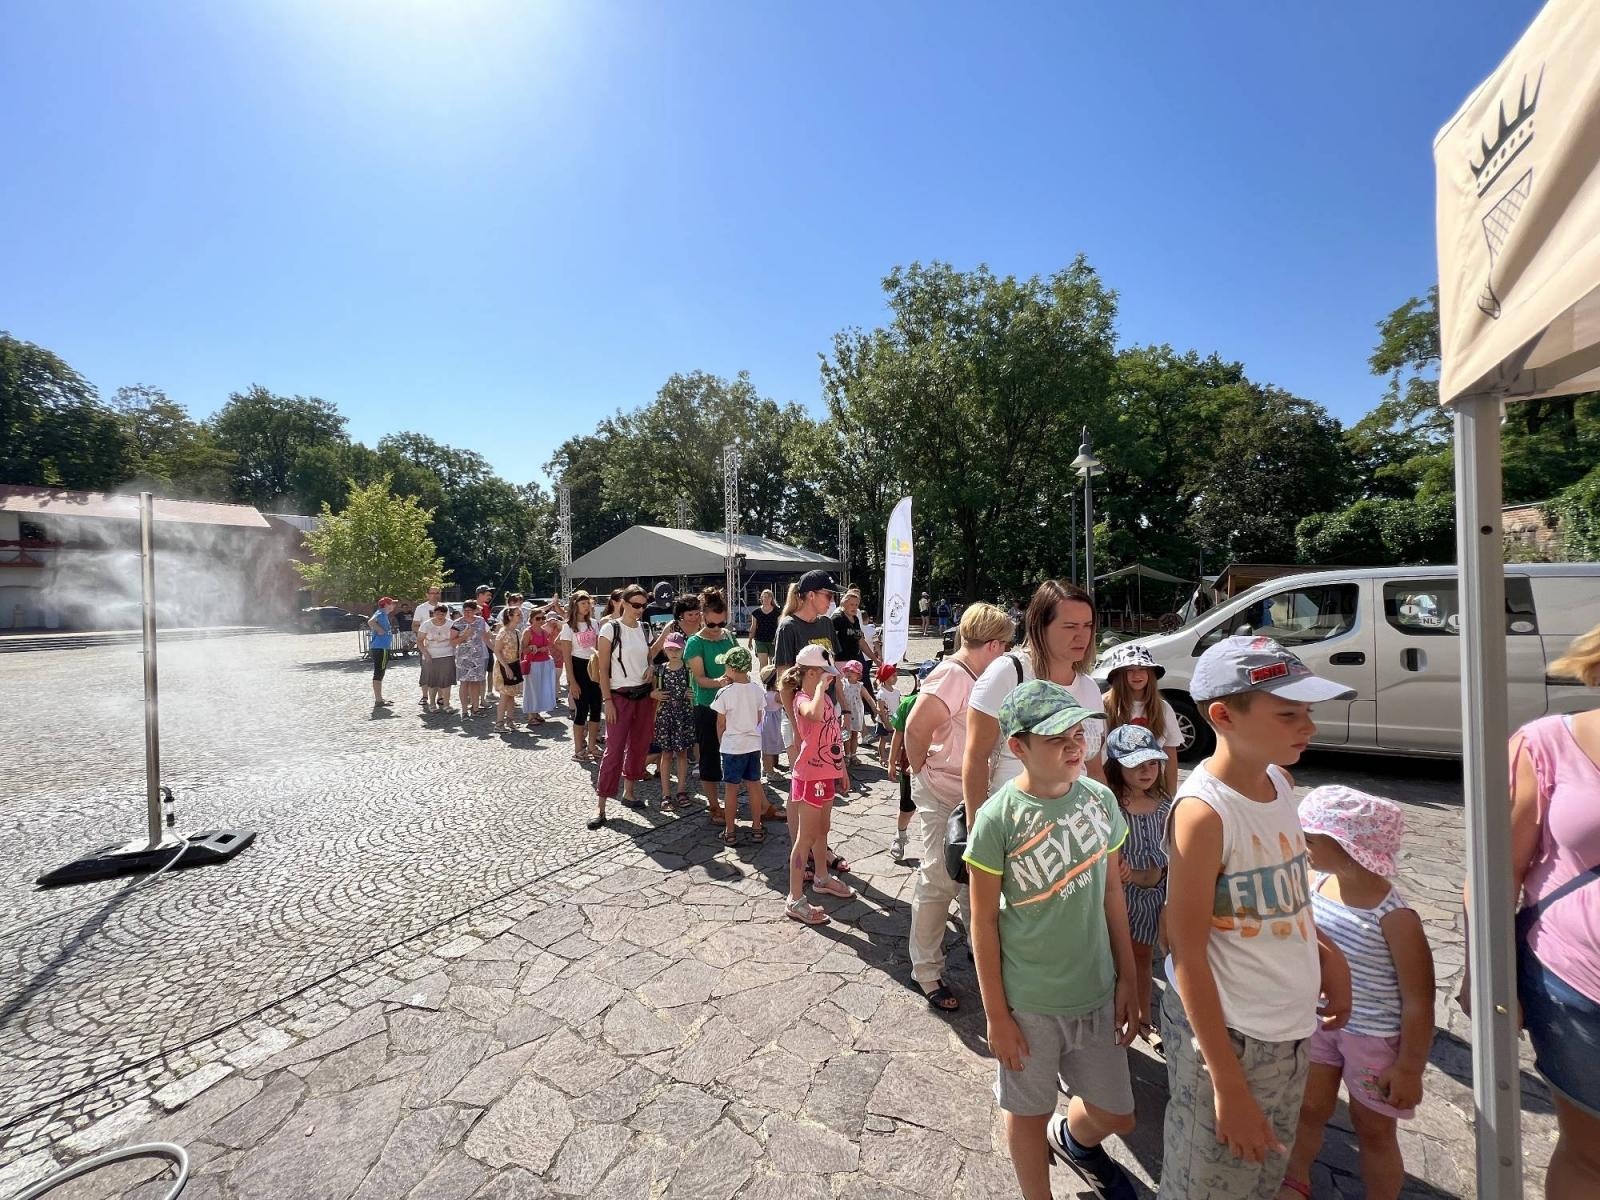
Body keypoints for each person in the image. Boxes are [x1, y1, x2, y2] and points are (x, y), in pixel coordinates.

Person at [1160, 636, 1355, 1200]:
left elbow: (1284, 895)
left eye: (1308, 711)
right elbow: (1186, 950)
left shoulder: (1281, 784)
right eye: (1288, 714)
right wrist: (1227, 1085)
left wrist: (1325, 953)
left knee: (1262, 1177)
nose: (1308, 727)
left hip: (1290, 1032)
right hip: (1233, 1039)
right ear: (1224, 716)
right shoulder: (1204, 815)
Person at [964, 679, 1139, 1200]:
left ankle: (1073, 1139)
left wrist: (1129, 978)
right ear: (1017, 747)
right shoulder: (997, 819)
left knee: (1119, 1114)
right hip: (1030, 1003)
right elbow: (983, 921)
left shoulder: (1101, 800)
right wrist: (997, 1016)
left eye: (1076, 733)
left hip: (1096, 991)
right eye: (1055, 738)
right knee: (1027, 1113)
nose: (1073, 745)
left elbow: (1113, 893)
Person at [1458, 623, 1600, 1200]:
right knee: (1592, 1157)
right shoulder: (1547, 743)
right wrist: (1485, 974)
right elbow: (1495, 872)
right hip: (1577, 991)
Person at [1284, 787, 1435, 1200]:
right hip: (1320, 1024)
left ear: (1349, 848)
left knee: (1374, 1130)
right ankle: (1295, 1179)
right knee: (1308, 1109)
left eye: (1310, 839)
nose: (1302, 846)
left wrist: (1410, 1068)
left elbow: (1419, 1001)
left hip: (1373, 1041)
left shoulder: (1396, 918)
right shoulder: (1315, 884)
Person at [906, 603, 1014, 1010]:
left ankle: (977, 947)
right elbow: (915, 727)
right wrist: (925, 772)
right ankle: (925, 970)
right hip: (945, 793)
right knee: (939, 879)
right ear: (993, 645)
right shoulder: (953, 674)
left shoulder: (976, 674)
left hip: (969, 794)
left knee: (974, 878)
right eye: (1005, 645)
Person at [963, 581, 1107, 826]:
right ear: (1040, 626)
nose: (1082, 635)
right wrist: (975, 829)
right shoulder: (1008, 673)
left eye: (1088, 625)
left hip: (1077, 829)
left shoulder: (1090, 688)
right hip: (1015, 824)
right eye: (1070, 626)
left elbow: (1093, 769)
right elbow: (975, 757)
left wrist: (1106, 825)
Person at [1103, 723, 1173, 1049]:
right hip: (1123, 896)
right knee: (1120, 960)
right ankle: (1116, 1018)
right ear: (1117, 766)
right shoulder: (1112, 806)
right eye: (1136, 764)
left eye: (1152, 763)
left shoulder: (1165, 803)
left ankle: (1144, 1019)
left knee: (1144, 959)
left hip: (1158, 895)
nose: (1146, 771)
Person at [784, 644, 852, 924]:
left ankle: (822, 878)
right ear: (812, 673)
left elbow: (833, 737)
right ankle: (795, 898)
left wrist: (841, 769)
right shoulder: (803, 698)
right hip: (809, 777)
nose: (832, 678)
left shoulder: (823, 699)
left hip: (826, 775)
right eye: (827, 673)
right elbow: (811, 714)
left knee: (823, 830)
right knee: (806, 838)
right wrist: (821, 688)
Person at [590, 584, 655, 828]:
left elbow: (648, 655)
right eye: (636, 605)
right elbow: (603, 668)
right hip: (619, 696)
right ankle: (601, 805)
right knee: (614, 750)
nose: (640, 609)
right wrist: (607, 701)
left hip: (643, 696)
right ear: (624, 603)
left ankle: (629, 793)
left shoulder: (644, 628)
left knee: (639, 746)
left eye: (643, 605)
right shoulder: (610, 628)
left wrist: (651, 666)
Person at [1100, 643, 1183, 795]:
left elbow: (1170, 754)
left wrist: (1171, 795)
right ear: (1118, 675)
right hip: (1112, 785)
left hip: (1152, 787)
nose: (1136, 675)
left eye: (1142, 669)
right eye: (1129, 670)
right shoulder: (1103, 705)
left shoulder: (1163, 708)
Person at [684, 587, 736, 820]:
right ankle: (714, 805)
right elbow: (700, 679)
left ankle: (739, 798)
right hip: (708, 706)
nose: (716, 628)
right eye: (712, 624)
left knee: (737, 752)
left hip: (732, 704)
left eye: (721, 623)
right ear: (703, 617)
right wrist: (720, 681)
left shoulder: (729, 636)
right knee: (710, 756)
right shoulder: (695, 642)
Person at [712, 646, 767, 846]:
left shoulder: (724, 693)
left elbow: (720, 723)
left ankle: (730, 830)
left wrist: (722, 741)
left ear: (732, 669)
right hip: (752, 745)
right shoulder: (757, 690)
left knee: (731, 790)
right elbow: (759, 718)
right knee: (754, 786)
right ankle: (757, 827)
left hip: (732, 746)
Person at [651, 632, 696, 810]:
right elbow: (651, 690)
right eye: (670, 649)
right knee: (666, 754)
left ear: (683, 649)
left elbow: (696, 688)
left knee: (682, 754)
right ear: (664, 649)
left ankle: (681, 790)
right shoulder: (660, 670)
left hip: (683, 716)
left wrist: (692, 693)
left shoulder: (688, 669)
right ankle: (666, 794)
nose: (673, 652)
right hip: (665, 717)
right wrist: (653, 694)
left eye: (677, 649)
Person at [559, 591, 603, 761]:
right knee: (581, 709)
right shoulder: (568, 627)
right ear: (575, 605)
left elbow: (598, 649)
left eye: (588, 603)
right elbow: (567, 656)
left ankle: (592, 745)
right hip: (578, 667)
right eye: (583, 603)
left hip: (594, 667)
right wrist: (572, 681)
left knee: (596, 708)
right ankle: (578, 748)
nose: (586, 606)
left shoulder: (594, 623)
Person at [417, 603, 460, 712]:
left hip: (447, 654)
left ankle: (446, 704)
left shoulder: (451, 624)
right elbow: (419, 641)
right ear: (434, 613)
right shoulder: (426, 624)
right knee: (432, 681)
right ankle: (432, 704)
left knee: (446, 681)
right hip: (431, 655)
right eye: (438, 613)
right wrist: (425, 654)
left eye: (443, 614)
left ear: (446, 614)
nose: (440, 616)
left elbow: (457, 638)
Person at [520, 607, 557, 727]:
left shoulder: (544, 631)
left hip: (544, 662)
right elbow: (523, 650)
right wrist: (532, 648)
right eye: (538, 618)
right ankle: (531, 715)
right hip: (533, 663)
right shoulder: (528, 632)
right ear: (531, 619)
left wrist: (544, 648)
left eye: (543, 618)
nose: (541, 620)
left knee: (541, 689)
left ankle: (537, 712)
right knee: (532, 689)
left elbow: (549, 645)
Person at [453, 600, 489, 716]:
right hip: (463, 658)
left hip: (478, 657)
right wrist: (465, 635)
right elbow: (452, 642)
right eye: (465, 611)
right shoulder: (457, 623)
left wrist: (495, 648)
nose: (467, 613)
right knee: (464, 683)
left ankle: (475, 708)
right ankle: (464, 710)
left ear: (474, 611)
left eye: (469, 611)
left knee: (476, 683)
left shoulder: (480, 621)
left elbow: (485, 637)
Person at [491, 607, 523, 733]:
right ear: (510, 617)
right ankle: (499, 723)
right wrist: (506, 667)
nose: (520, 616)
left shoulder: (517, 632)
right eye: (518, 614)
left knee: (511, 695)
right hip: (504, 666)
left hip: (514, 665)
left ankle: (510, 720)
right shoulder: (503, 632)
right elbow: (497, 651)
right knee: (504, 695)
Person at [832, 588, 876, 675]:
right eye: (851, 604)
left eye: (856, 605)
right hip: (840, 662)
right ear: (844, 604)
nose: (855, 607)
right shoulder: (837, 619)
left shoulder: (855, 619)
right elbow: (831, 642)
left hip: (854, 661)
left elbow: (861, 641)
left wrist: (875, 659)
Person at [413, 585, 443, 706]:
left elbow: (449, 624)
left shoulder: (444, 607)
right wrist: (425, 633)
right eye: (432, 593)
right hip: (426, 644)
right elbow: (414, 625)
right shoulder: (421, 608)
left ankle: (441, 697)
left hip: (442, 644)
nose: (434, 595)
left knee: (441, 671)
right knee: (426, 671)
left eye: (437, 593)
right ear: (427, 594)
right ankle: (425, 696)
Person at [366, 597, 396, 706]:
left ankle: (379, 699)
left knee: (380, 672)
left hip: (381, 647)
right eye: (392, 603)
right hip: (381, 647)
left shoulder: (383, 614)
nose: (394, 606)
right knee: (379, 672)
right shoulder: (380, 613)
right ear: (386, 605)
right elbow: (371, 622)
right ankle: (378, 700)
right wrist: (380, 630)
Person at [759, 664, 785, 782]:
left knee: (766, 749)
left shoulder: (765, 693)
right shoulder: (777, 695)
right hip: (773, 725)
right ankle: (770, 772)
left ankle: (766, 768)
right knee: (770, 749)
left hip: (766, 722)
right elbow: (786, 702)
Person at [873, 663, 901, 760]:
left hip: (895, 720)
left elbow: (899, 706)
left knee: (896, 739)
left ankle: (897, 758)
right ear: (885, 678)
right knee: (883, 739)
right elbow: (881, 710)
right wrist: (886, 723)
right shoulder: (882, 693)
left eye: (896, 675)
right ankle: (883, 758)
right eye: (893, 676)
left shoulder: (897, 691)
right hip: (884, 721)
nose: (896, 678)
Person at [748, 587, 780, 670]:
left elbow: (780, 626)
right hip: (760, 641)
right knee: (763, 666)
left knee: (773, 666)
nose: (766, 599)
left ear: (771, 598)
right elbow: (753, 626)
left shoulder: (777, 611)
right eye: (764, 597)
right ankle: (763, 678)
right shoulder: (756, 612)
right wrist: (750, 639)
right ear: (761, 598)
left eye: (768, 597)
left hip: (773, 641)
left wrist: (778, 639)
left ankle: (772, 679)